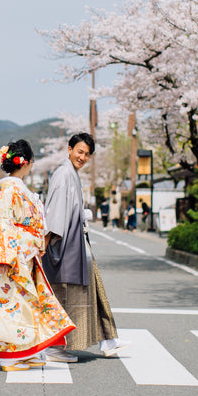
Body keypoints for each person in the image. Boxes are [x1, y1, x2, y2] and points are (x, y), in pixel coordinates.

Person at [42, 133, 131, 362]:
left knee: (91, 290)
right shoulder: (64, 175)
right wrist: (46, 245)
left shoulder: (69, 174)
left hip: (74, 244)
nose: (82, 157)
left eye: (87, 154)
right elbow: (55, 214)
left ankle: (108, 340)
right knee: (69, 296)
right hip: (66, 247)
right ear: (69, 149)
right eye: (79, 152)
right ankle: (55, 346)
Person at [0, 140, 75, 372]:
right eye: (32, 161)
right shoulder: (9, 191)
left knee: (27, 304)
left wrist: (36, 243)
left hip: (26, 256)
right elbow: (2, 225)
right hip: (13, 257)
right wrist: (2, 258)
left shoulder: (17, 189)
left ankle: (27, 351)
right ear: (25, 163)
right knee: (12, 305)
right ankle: (9, 356)